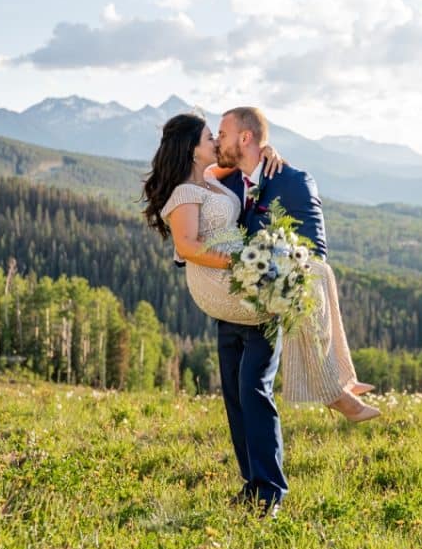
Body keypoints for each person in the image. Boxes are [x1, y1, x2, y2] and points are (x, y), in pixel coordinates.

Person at [141, 110, 378, 516]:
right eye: (209, 136)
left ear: (246, 138)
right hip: (230, 288)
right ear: (193, 148)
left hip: (256, 292)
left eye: (222, 133)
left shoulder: (251, 177)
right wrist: (241, 264)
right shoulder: (208, 181)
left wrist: (265, 265)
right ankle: (255, 484)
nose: (216, 140)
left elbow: (310, 241)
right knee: (236, 391)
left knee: (252, 386)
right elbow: (188, 244)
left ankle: (270, 488)